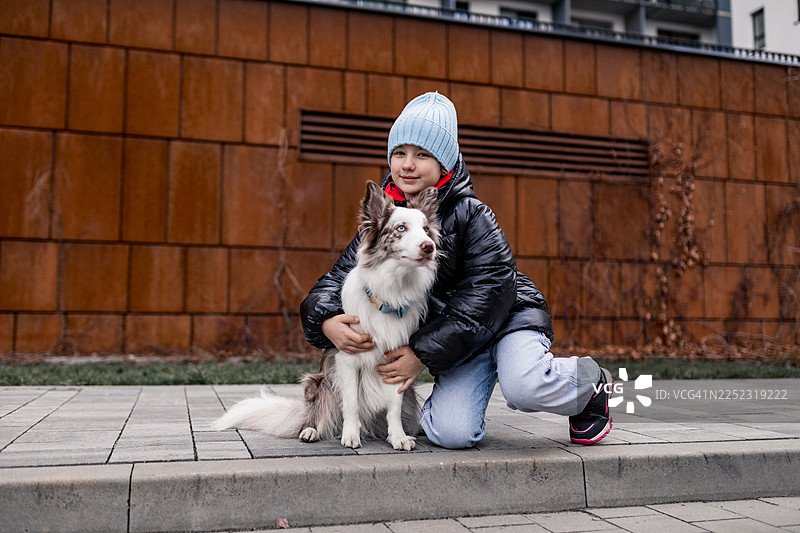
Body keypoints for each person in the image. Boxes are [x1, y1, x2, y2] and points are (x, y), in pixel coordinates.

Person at [300, 92, 612, 449]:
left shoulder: (472, 214)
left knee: (524, 385)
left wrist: (422, 354)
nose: (407, 165)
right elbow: (337, 279)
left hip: (506, 321)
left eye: (422, 154)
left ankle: (590, 385)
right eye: (399, 153)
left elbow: (491, 293)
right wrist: (325, 321)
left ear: (445, 163)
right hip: (461, 343)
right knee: (450, 433)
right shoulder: (385, 223)